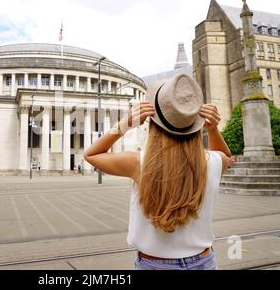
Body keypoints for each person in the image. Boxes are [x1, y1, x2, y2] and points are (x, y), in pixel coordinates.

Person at [84, 74, 232, 270]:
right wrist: (213, 130)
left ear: (153, 123)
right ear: (196, 123)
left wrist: (125, 124)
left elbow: (92, 154)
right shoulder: (213, 161)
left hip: (154, 265)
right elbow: (225, 155)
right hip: (204, 261)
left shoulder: (139, 162)